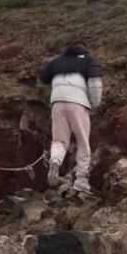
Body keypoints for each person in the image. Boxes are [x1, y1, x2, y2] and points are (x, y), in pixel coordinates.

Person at [38, 41, 103, 196]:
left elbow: (43, 77)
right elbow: (95, 82)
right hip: (78, 102)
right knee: (82, 141)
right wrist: (94, 103)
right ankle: (81, 182)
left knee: (59, 140)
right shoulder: (88, 60)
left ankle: (55, 162)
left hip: (57, 103)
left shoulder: (57, 61)